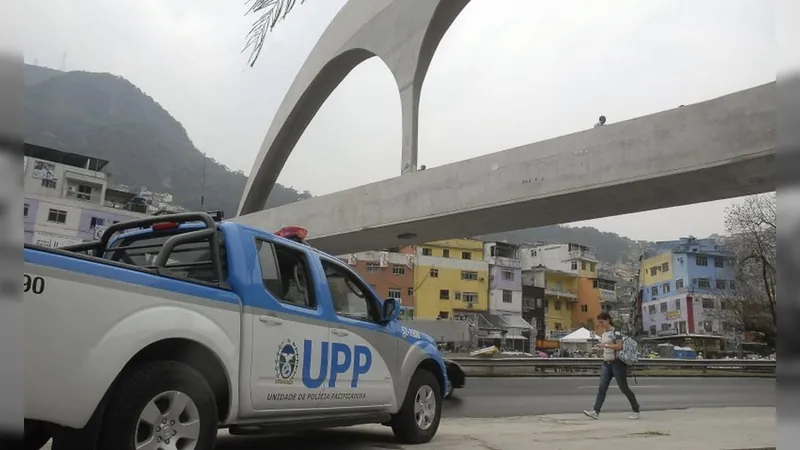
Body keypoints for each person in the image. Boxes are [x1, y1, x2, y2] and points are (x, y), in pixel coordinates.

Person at [584, 312, 641, 420]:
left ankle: (636, 409)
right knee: (602, 388)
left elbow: (619, 346)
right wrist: (599, 348)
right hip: (607, 363)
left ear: (608, 320)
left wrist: (605, 345)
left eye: (602, 322)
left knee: (624, 388)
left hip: (617, 363)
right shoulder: (604, 334)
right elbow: (608, 347)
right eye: (599, 322)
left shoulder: (616, 332)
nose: (600, 324)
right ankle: (596, 411)